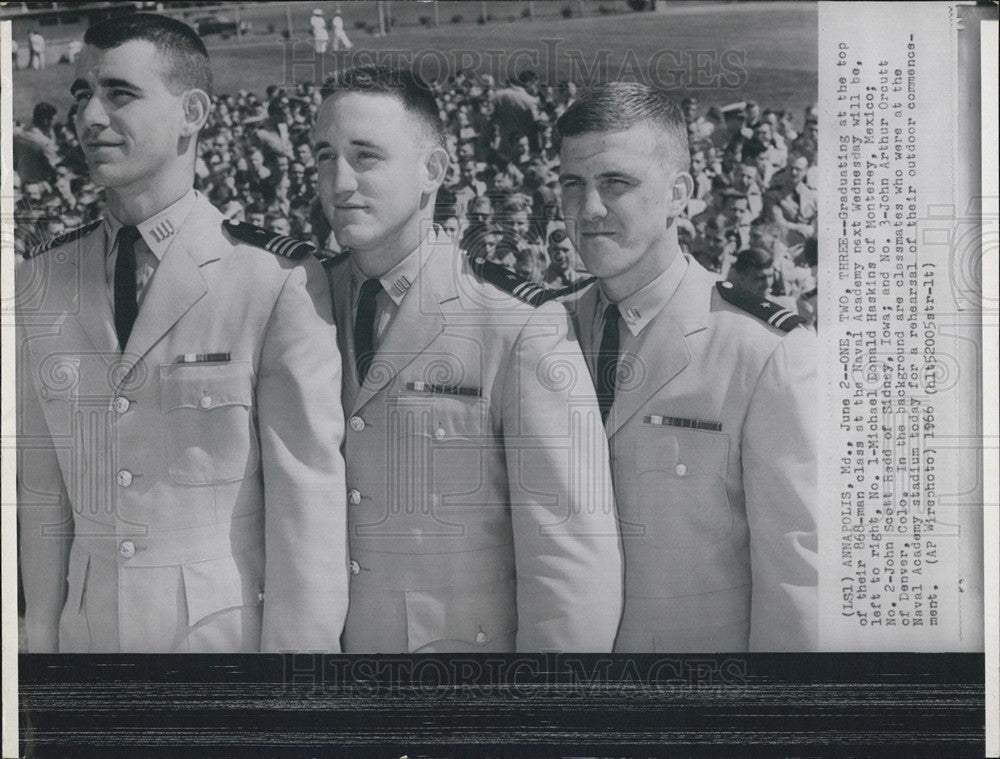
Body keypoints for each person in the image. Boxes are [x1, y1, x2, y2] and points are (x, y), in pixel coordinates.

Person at [16, 13, 349, 654]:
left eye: (119, 93)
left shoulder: (271, 279)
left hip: (221, 654)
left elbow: (305, 507)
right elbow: (43, 495)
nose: (87, 118)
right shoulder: (45, 277)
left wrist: (294, 700)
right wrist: (41, 652)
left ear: (192, 112)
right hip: (89, 657)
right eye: (82, 94)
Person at [313, 65, 622, 653]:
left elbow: (571, 565)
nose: (340, 180)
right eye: (325, 157)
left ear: (433, 170)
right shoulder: (301, 300)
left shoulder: (518, 323)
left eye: (366, 156)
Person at [557, 82, 817, 652]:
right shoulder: (545, 331)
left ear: (679, 194)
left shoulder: (761, 351)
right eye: (572, 185)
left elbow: (797, 580)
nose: (590, 209)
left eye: (616, 183)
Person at [13, 102, 61, 185]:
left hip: (23, 182)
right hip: (41, 186)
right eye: (53, 121)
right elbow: (55, 167)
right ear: (46, 121)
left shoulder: (17, 135)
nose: (54, 124)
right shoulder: (44, 143)